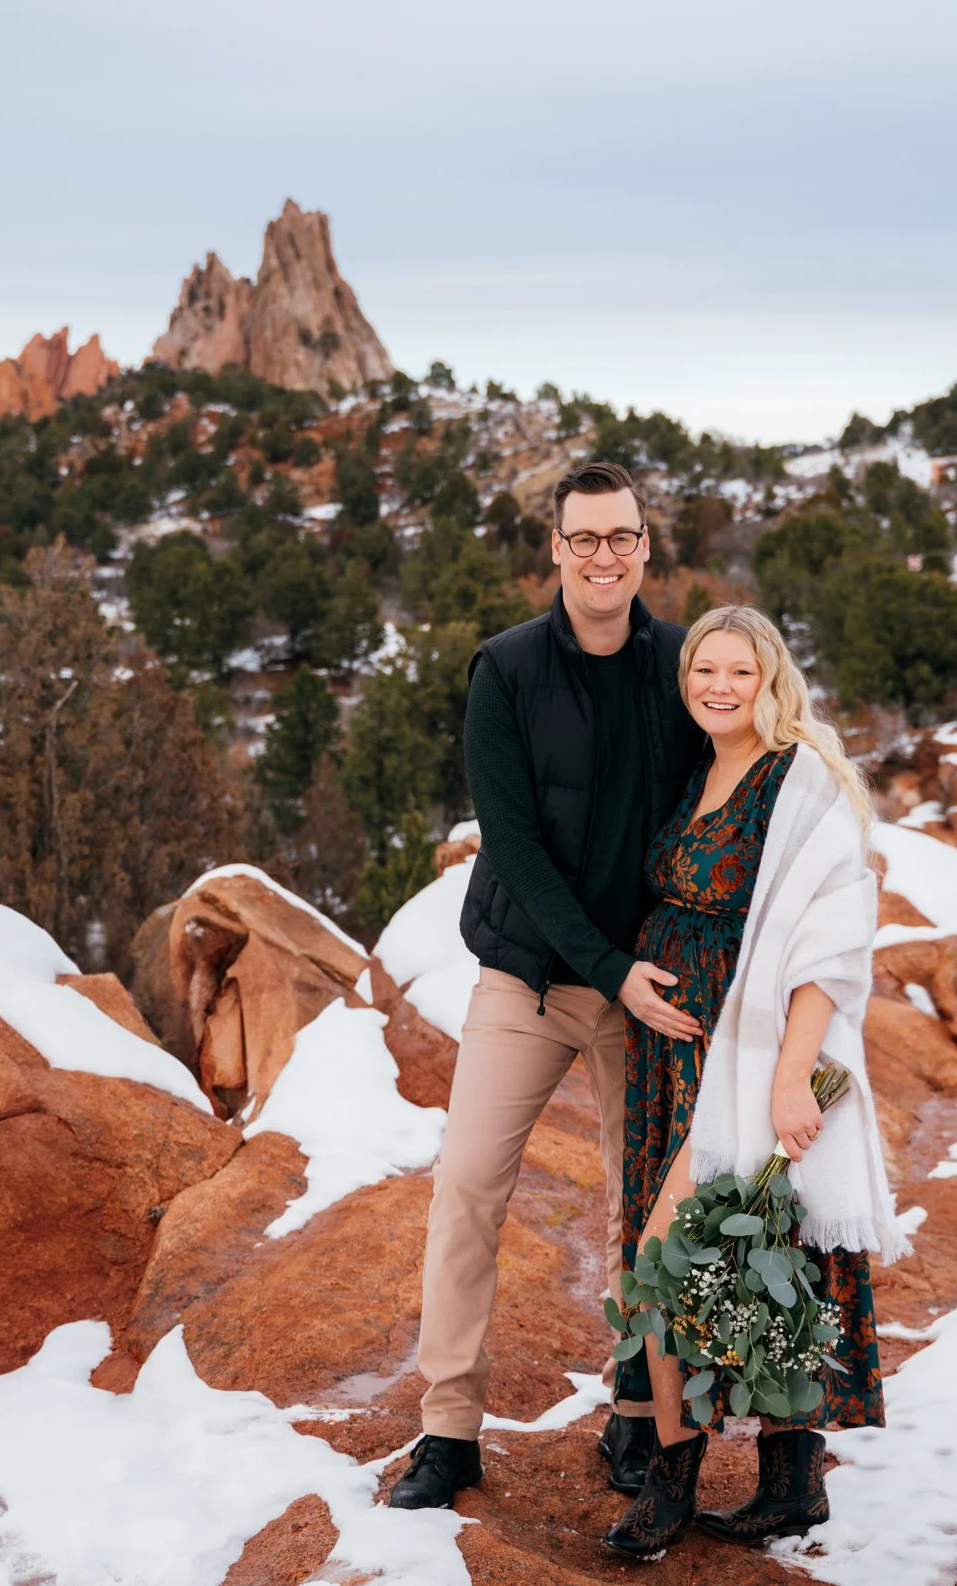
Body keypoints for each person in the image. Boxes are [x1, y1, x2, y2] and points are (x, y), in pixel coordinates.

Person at [387, 462, 707, 1510]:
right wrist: (606, 964)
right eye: (584, 538)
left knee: (640, 1209)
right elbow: (516, 849)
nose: (603, 555)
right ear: (555, 548)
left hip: (644, 990)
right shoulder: (506, 669)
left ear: (645, 545)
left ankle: (632, 1410)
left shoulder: (683, 665)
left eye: (621, 536)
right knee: (468, 1186)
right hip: (528, 974)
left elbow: (738, 789)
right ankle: (448, 1428)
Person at [601, 604, 911, 1560]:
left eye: (740, 671)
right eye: (705, 671)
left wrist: (790, 1077)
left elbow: (828, 941)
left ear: (771, 679)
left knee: (678, 1263)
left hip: (749, 1053)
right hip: (675, 1055)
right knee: (741, 1259)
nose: (720, 687)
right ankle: (789, 1481)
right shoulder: (700, 768)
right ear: (686, 678)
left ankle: (672, 1482)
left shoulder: (798, 775)